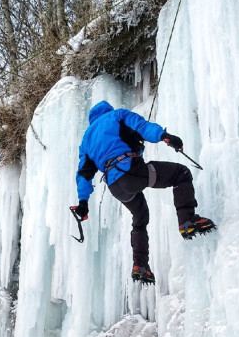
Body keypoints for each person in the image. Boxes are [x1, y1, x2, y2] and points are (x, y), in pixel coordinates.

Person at [72, 101, 215, 284]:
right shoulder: (117, 115)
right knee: (181, 173)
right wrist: (164, 136)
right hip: (131, 171)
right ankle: (187, 220)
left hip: (115, 186)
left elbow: (84, 173)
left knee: (140, 215)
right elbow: (142, 126)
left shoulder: (86, 140)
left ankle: (140, 265)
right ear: (108, 110)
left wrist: (83, 202)